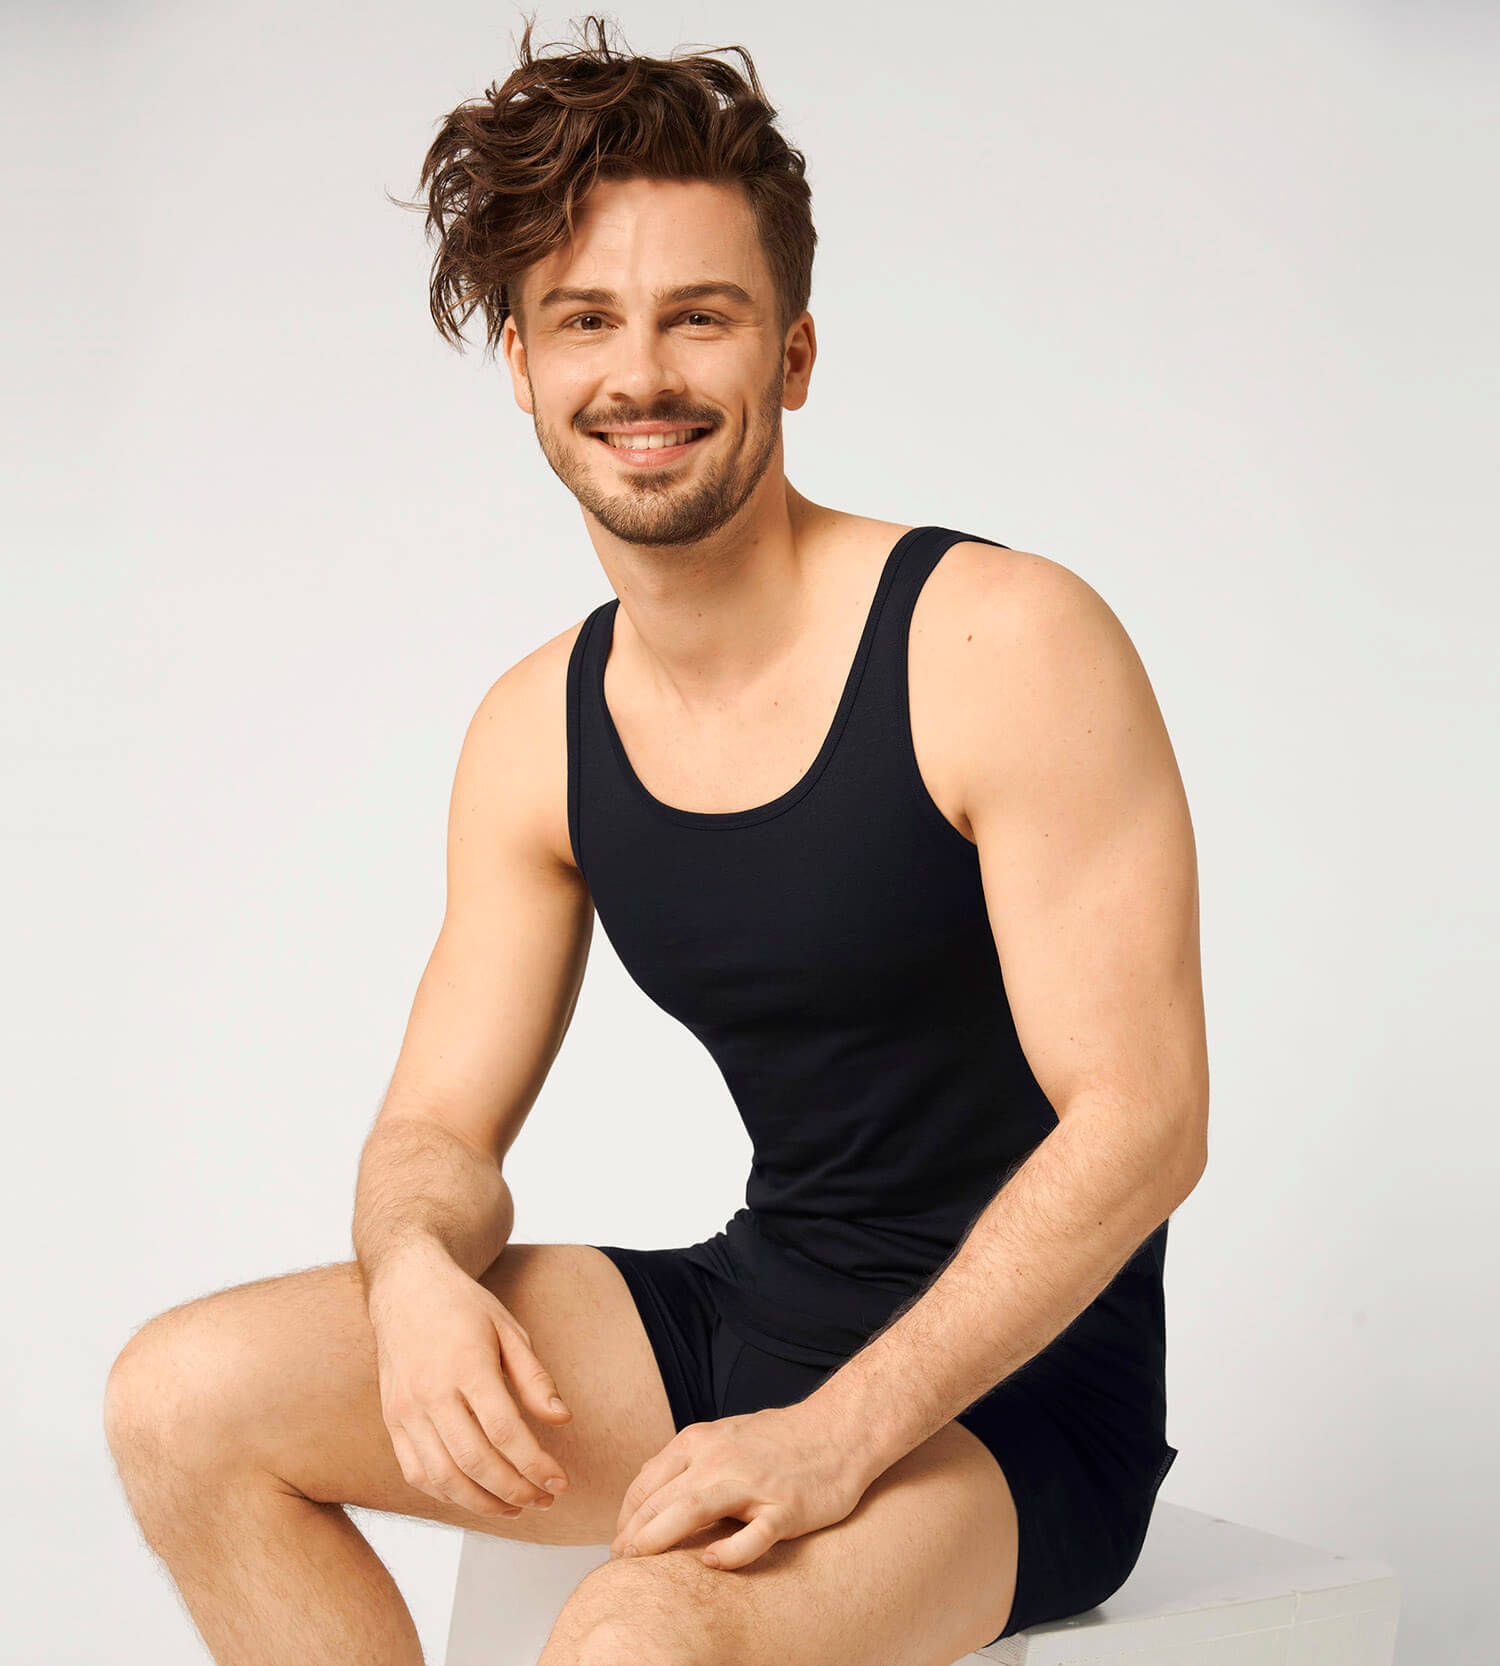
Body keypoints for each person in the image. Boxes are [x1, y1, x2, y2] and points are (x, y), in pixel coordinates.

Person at [103, 16, 1209, 1665]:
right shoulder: (534, 731)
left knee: (635, 1630)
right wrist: (411, 1269)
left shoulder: (1000, 641)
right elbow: (435, 1128)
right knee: (179, 1400)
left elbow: (1145, 1120)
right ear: (525, 365)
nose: (641, 375)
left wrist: (839, 1433)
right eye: (585, 320)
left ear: (794, 354)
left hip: (1017, 1403)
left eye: (701, 315)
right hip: (760, 1309)